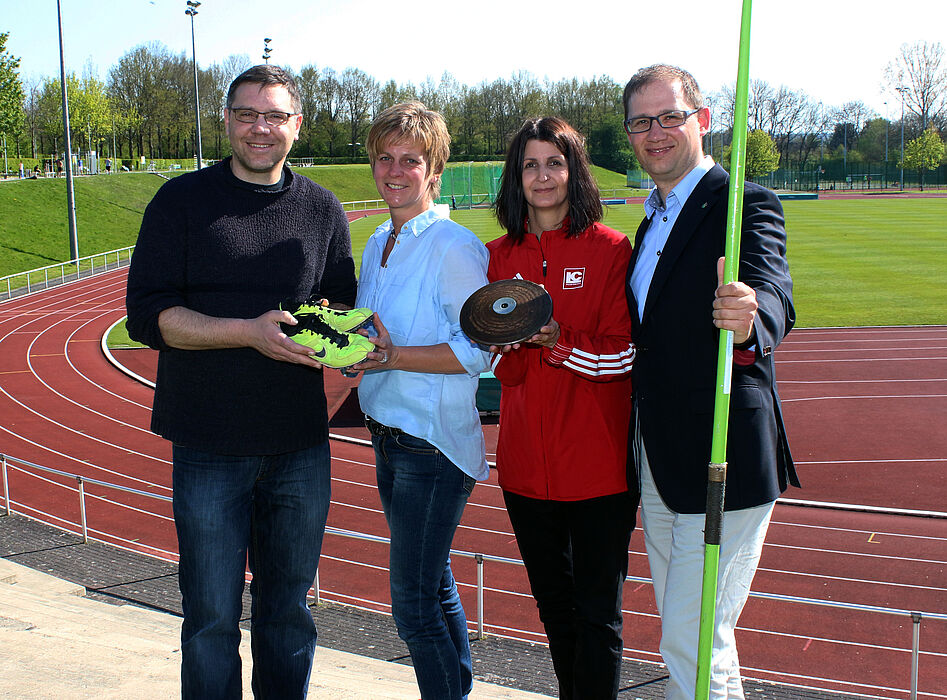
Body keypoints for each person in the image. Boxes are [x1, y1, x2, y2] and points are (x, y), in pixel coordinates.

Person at [125, 64, 356, 699]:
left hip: (299, 445)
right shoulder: (180, 201)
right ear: (226, 121)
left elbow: (339, 305)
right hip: (208, 443)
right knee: (210, 618)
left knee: (288, 616)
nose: (261, 128)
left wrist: (347, 336)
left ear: (297, 125)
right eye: (247, 114)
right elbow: (147, 315)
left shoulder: (322, 208)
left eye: (275, 115)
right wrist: (247, 332)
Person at [622, 64, 798, 699]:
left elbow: (774, 293)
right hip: (661, 458)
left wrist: (751, 317)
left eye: (670, 116)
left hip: (724, 455)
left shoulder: (742, 202)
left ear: (702, 120)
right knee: (698, 639)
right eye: (641, 122)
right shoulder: (650, 222)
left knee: (692, 640)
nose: (656, 132)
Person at [488, 116, 637, 699]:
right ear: (516, 177)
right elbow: (504, 371)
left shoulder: (611, 249)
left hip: (598, 469)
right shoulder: (497, 257)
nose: (543, 176)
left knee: (597, 616)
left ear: (575, 171)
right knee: (554, 608)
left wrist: (556, 340)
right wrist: (506, 350)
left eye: (555, 162)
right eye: (530, 165)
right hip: (526, 468)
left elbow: (623, 355)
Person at [348, 102, 490, 700]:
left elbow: (480, 351)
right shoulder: (378, 239)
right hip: (387, 433)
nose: (395, 170)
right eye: (385, 157)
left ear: (435, 170)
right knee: (435, 585)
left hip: (429, 446)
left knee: (411, 605)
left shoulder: (453, 246)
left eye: (411, 159)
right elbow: (375, 333)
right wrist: (350, 348)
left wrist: (394, 357)